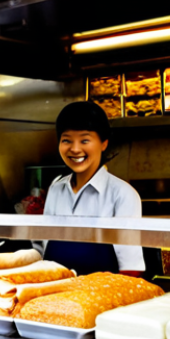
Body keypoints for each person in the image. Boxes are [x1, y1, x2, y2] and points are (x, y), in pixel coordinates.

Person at [43, 100, 146, 276]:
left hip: (103, 297)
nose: (75, 149)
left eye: (85, 140)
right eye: (67, 140)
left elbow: (131, 267)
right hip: (54, 294)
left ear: (103, 143)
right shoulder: (55, 189)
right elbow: (42, 252)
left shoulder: (122, 194)